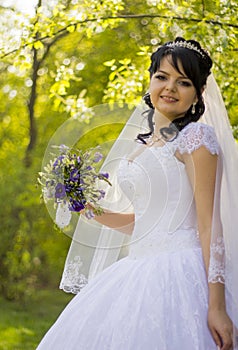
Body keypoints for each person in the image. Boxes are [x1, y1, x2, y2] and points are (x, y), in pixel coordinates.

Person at [37, 37, 237, 350]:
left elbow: (210, 226)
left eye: (183, 82)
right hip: (137, 269)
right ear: (150, 81)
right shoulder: (145, 145)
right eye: (162, 77)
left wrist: (217, 306)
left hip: (181, 273)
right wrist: (88, 209)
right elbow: (144, 223)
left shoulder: (196, 138)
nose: (170, 88)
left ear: (198, 93)